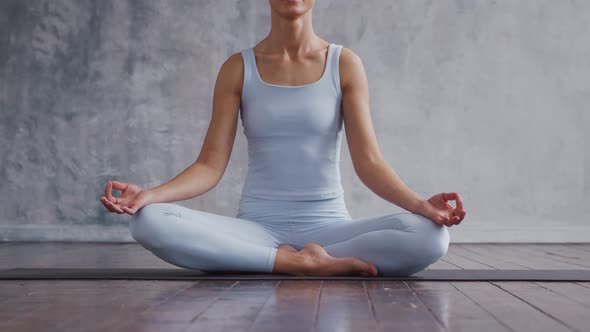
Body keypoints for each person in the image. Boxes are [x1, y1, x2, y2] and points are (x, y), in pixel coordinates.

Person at [100, 0, 466, 277]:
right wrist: (150, 195)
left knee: (431, 237)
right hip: (256, 229)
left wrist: (421, 205)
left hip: (331, 230)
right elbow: (209, 166)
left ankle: (296, 260)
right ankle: (293, 263)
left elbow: (368, 162)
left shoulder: (344, 64)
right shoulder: (237, 68)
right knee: (148, 221)